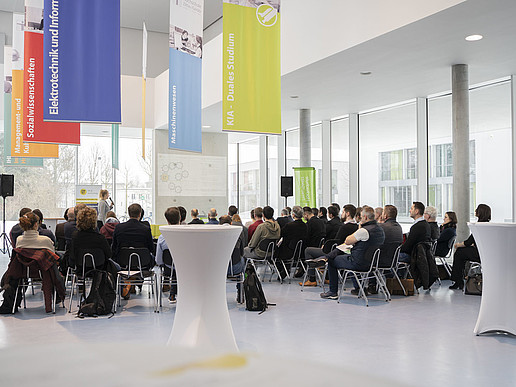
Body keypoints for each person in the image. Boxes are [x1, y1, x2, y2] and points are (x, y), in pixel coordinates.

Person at [318, 206, 385, 299]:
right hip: (372, 263)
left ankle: (333, 292)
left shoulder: (363, 231)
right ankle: (357, 287)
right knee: (343, 255)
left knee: (332, 261)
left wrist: (359, 228)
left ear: (365, 217)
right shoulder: (380, 230)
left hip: (358, 263)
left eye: (361, 217)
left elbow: (347, 241)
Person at [301, 204, 358, 286]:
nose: (341, 214)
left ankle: (312, 279)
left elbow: (337, 242)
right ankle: (324, 274)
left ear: (347, 213)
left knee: (308, 250)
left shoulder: (343, 227)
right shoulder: (356, 226)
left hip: (335, 252)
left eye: (343, 212)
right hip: (347, 252)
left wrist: (326, 246)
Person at [449, 204, 490, 290]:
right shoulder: (488, 225)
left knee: (459, 253)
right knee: (463, 253)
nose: (475, 211)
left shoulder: (478, 226)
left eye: (477, 210)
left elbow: (468, 242)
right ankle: (460, 279)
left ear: (480, 213)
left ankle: (458, 281)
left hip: (479, 254)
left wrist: (457, 245)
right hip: (486, 253)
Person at [68, 206, 112, 271]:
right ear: (94, 221)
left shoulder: (75, 236)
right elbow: (109, 254)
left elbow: (72, 256)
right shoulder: (100, 238)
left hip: (80, 268)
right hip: (99, 270)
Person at [155, 207, 180, 303]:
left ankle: (172, 294)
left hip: (169, 268)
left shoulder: (162, 237)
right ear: (180, 217)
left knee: (173, 270)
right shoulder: (188, 235)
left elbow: (158, 260)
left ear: (167, 220)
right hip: (186, 269)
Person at [277, 206, 307, 277]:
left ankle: (283, 270)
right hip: (301, 251)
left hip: (288, 251)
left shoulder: (289, 226)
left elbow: (281, 234)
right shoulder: (305, 226)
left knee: (276, 252)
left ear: (293, 215)